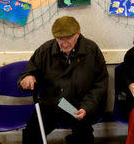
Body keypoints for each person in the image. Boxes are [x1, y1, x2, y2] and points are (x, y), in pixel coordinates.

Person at [18, 16, 108, 144]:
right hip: (52, 104)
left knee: (84, 137)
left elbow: (100, 85)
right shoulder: (45, 50)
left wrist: (86, 107)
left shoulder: (91, 50)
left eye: (69, 38)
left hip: (79, 105)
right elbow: (29, 71)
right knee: (31, 133)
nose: (64, 43)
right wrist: (27, 78)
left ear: (78, 33)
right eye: (60, 39)